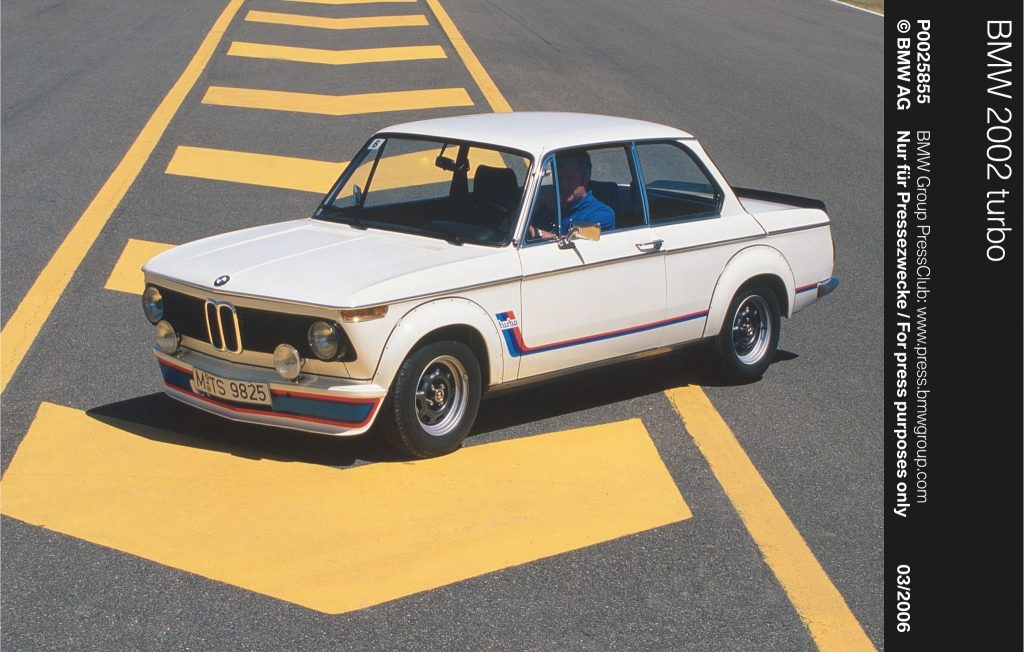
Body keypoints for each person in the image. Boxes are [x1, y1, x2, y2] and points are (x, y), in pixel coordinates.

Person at [528, 150, 615, 240]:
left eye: (569, 179)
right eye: (559, 178)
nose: (563, 185)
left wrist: (541, 234)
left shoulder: (601, 214)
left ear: (585, 178)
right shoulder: (549, 205)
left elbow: (578, 242)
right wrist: (539, 202)